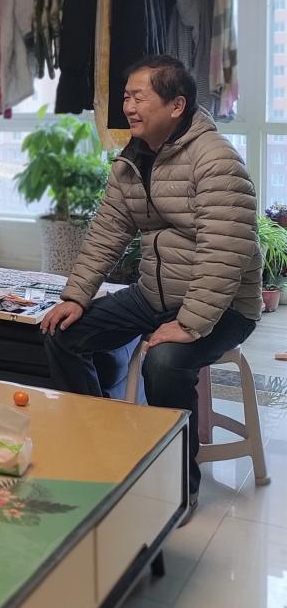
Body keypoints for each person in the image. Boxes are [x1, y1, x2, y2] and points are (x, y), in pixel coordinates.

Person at [42, 55, 263, 521]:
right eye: (126, 96)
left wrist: (189, 325)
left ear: (176, 105)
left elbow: (224, 254)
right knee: (63, 333)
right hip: (154, 295)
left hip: (224, 308)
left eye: (139, 97)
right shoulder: (134, 158)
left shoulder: (217, 161)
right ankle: (101, 447)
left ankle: (179, 487)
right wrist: (76, 296)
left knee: (164, 363)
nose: (128, 106)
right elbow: (107, 231)